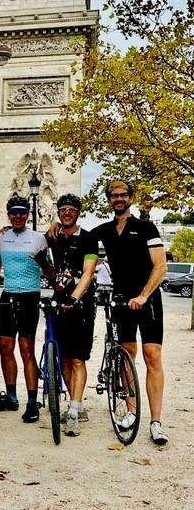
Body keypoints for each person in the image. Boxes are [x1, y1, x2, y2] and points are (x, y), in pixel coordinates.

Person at [91, 181, 168, 445]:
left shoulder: (146, 228)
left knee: (152, 356)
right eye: (114, 196)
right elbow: (78, 236)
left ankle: (156, 421)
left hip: (148, 300)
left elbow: (161, 266)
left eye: (124, 195)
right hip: (122, 302)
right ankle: (132, 411)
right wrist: (55, 227)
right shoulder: (106, 230)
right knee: (126, 357)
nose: (119, 199)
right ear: (109, 200)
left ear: (131, 198)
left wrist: (144, 295)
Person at [0, 193, 55, 423]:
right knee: (5, 347)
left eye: (22, 212)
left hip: (29, 296)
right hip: (8, 295)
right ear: (9, 215)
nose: (18, 216)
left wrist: (47, 266)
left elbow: (49, 270)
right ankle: (11, 397)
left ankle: (32, 401)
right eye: (14, 213)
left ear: (28, 214)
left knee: (26, 349)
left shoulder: (38, 238)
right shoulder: (3, 238)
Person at [45, 194, 98, 437]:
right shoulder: (53, 236)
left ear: (79, 212)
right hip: (59, 302)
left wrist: (75, 298)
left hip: (81, 304)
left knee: (78, 359)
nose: (66, 212)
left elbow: (88, 273)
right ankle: (76, 404)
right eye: (63, 209)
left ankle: (74, 412)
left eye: (71, 209)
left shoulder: (88, 238)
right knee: (64, 358)